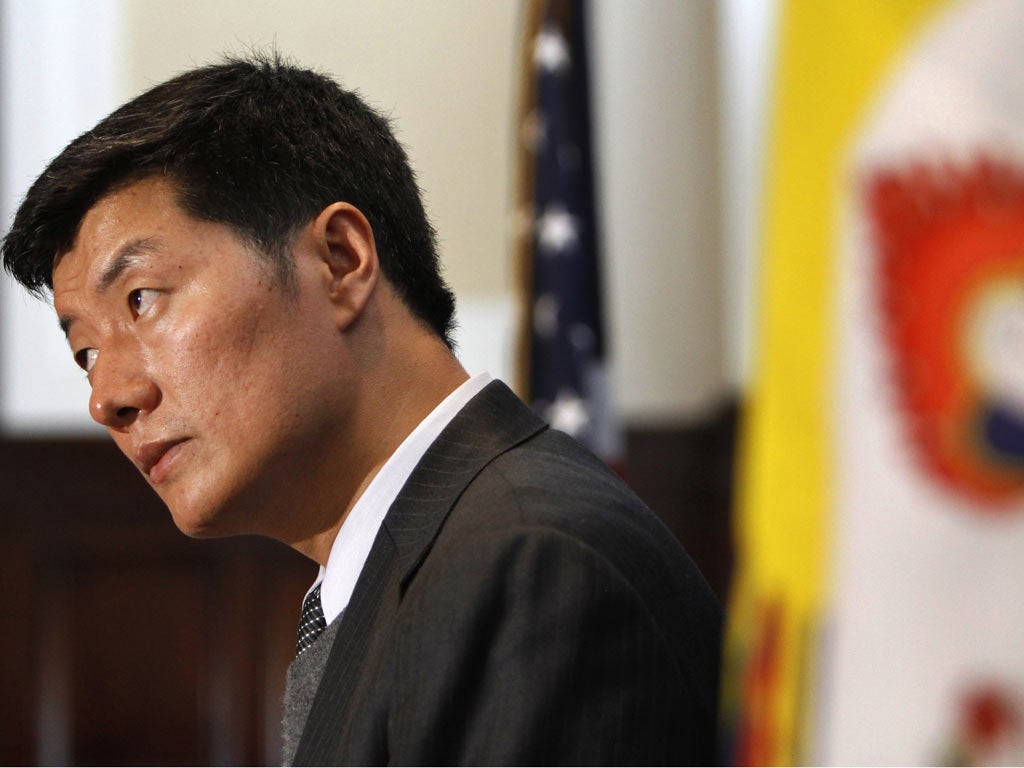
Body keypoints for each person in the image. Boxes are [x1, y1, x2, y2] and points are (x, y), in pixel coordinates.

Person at [1, 53, 722, 765]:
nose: (108, 398)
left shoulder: (531, 562)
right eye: (86, 353)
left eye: (142, 300)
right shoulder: (418, 567)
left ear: (339, 262)